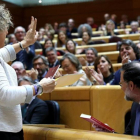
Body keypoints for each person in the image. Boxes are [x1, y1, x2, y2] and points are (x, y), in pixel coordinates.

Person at [0, 5, 56, 140]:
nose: (7, 32)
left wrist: (25, 42)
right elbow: (4, 95)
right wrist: (39, 87)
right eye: (5, 28)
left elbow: (5, 52)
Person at [93, 61, 140, 136]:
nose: (121, 88)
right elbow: (128, 137)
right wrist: (111, 133)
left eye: (121, 84)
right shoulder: (135, 105)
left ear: (131, 85)